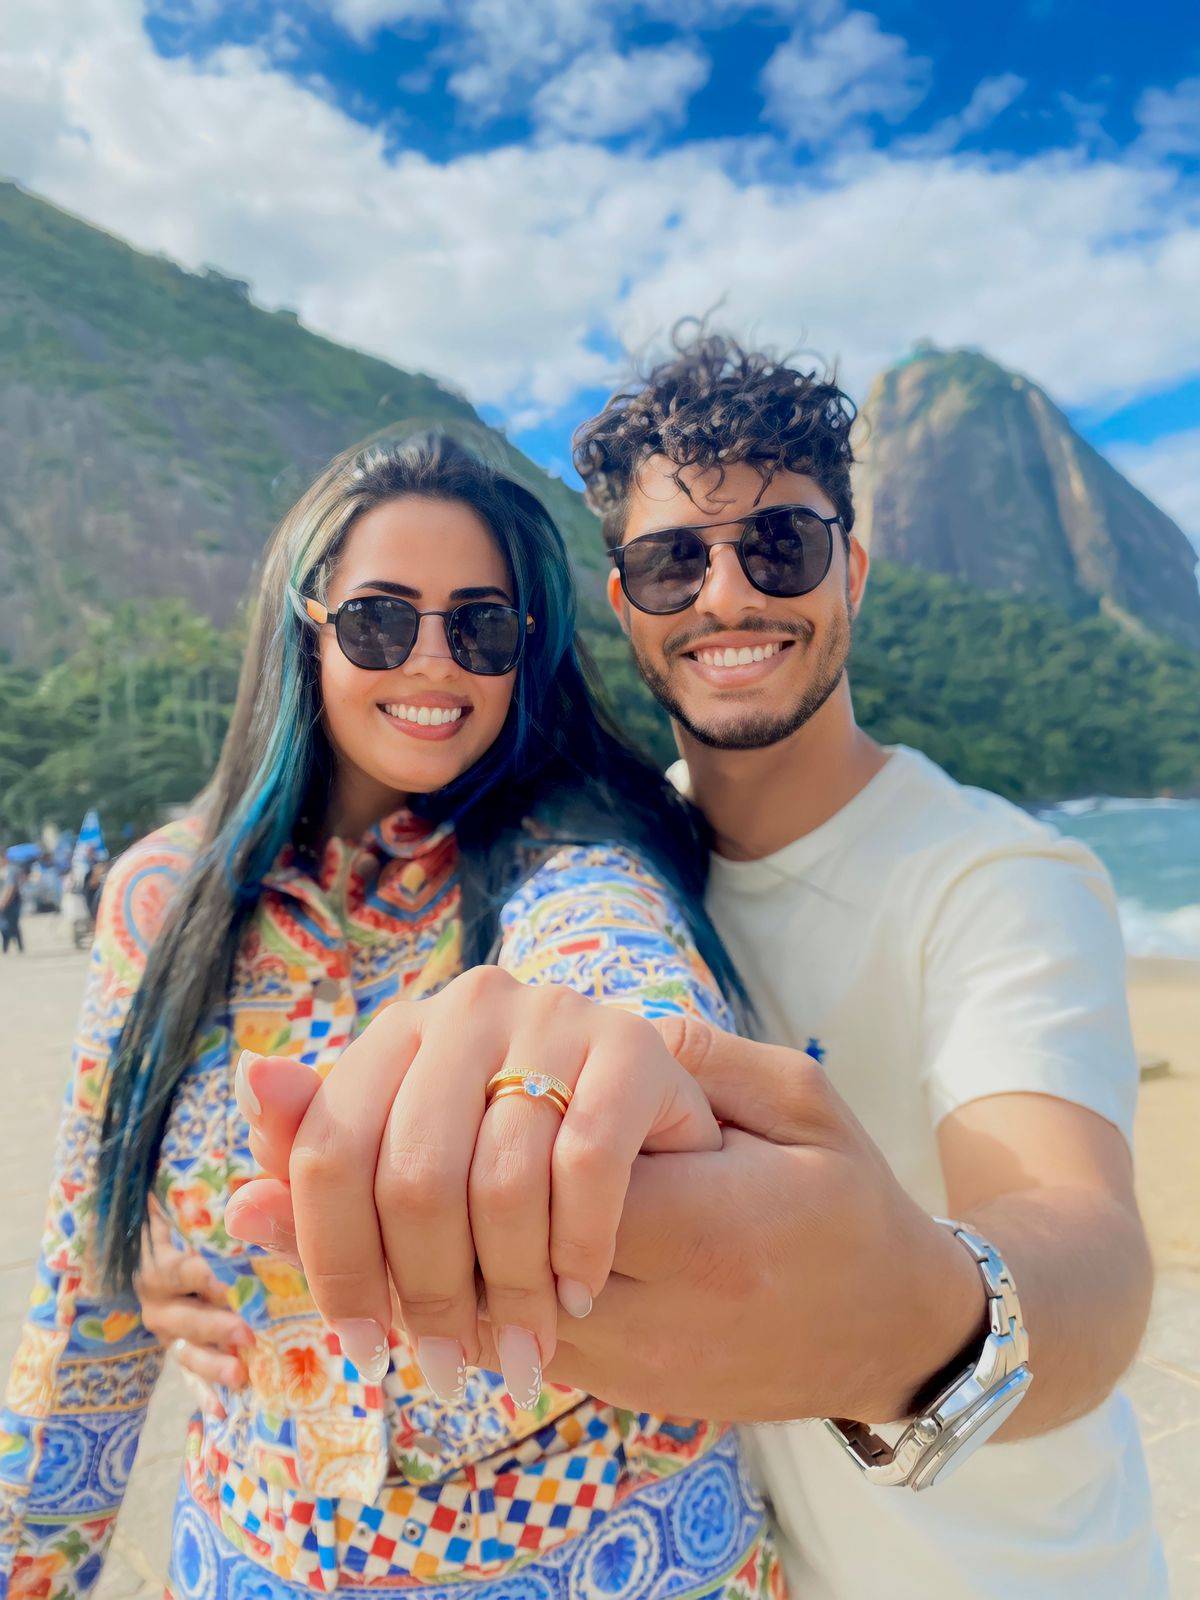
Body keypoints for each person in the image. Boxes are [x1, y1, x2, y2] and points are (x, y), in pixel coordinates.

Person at [205, 332, 1164, 1598]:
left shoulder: (996, 878)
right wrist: (232, 1264)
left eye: (781, 546)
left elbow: (1086, 1249)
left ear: (852, 570)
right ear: (625, 603)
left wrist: (904, 1314)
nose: (726, 595)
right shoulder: (617, 859)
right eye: (673, 561)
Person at [0, 432, 787, 1600]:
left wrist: (616, 1062)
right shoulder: (162, 901)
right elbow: (86, 1306)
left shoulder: (572, 862)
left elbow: (617, 975)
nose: (432, 661)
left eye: (479, 627)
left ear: (525, 654)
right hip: (255, 1555)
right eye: (378, 620)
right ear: (305, 626)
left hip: (614, 1554)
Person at [0, 861, 27, 953]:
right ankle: (6, 947)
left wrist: (4, 902)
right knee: (4, 925)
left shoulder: (10, 870)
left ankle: (19, 946)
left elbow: (11, 887)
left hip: (12, 902)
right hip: (3, 902)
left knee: (12, 924)